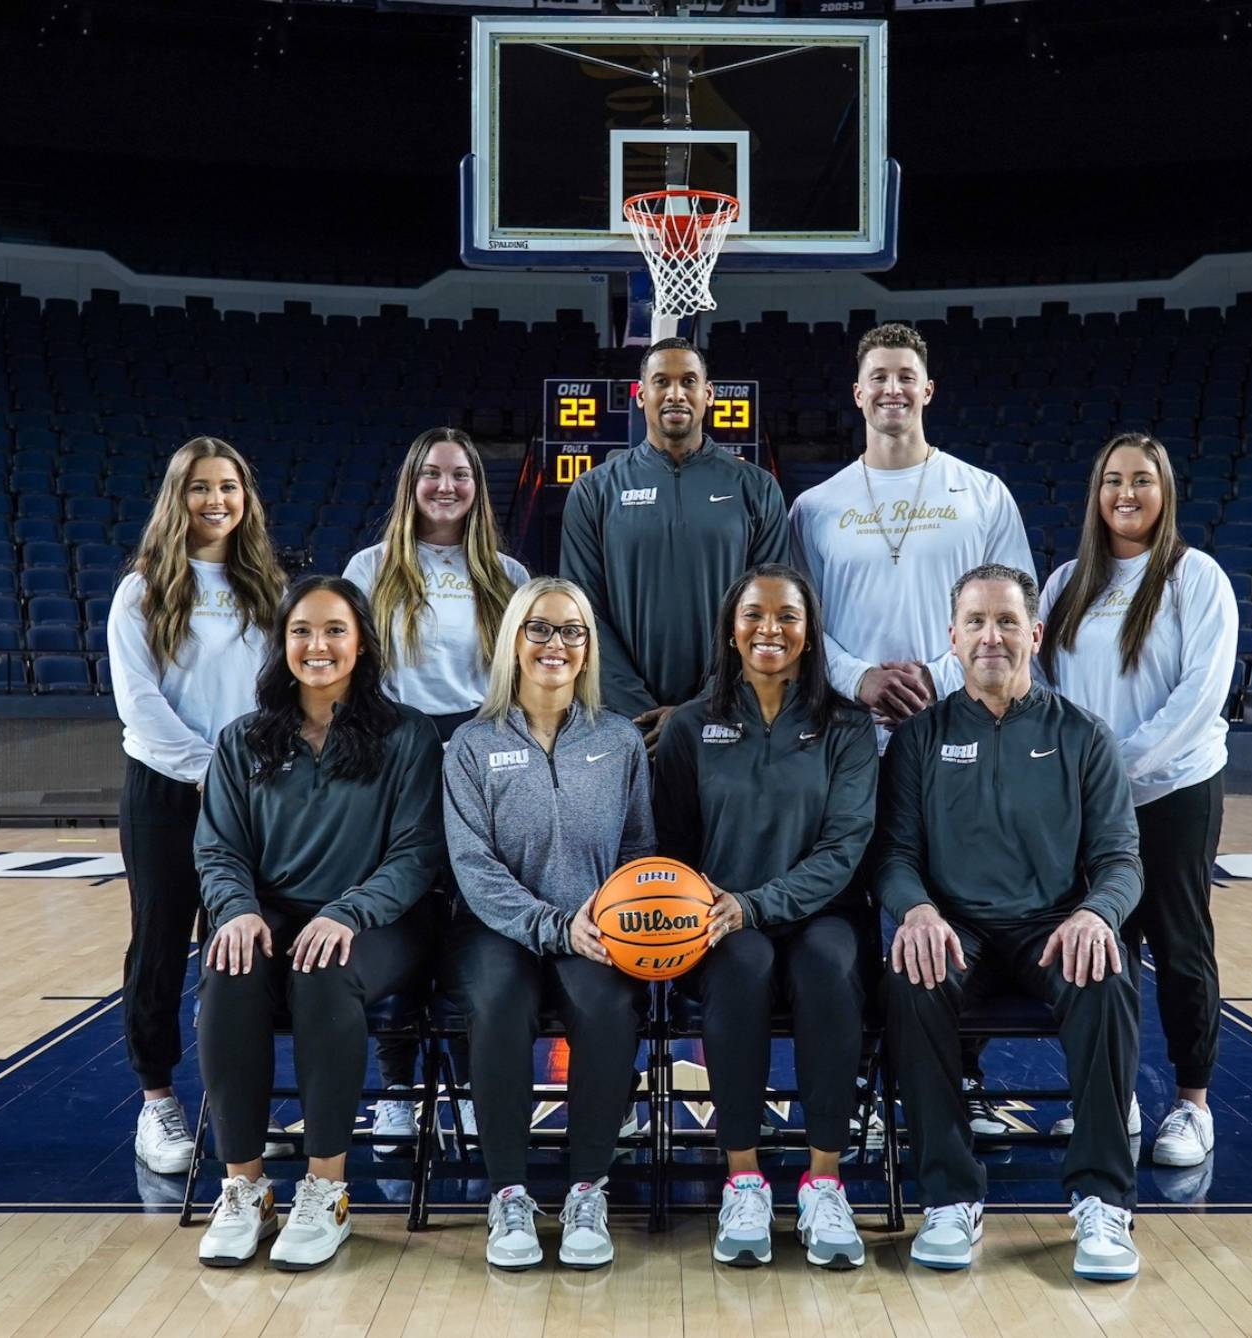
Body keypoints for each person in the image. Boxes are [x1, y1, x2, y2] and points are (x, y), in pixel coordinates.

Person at [789, 321, 1035, 1137]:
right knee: (860, 913)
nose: (892, 389)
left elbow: (1015, 605)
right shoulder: (814, 507)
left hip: (957, 726)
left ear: (926, 391)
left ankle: (956, 1083)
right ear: (856, 394)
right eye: (878, 378)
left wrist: (940, 668)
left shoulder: (982, 492)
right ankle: (861, 1092)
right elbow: (796, 624)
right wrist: (858, 674)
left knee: (961, 902)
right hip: (849, 735)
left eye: (906, 377)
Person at [878, 563, 1144, 1281]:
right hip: (954, 925)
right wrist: (918, 910)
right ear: (951, 638)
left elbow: (1121, 859)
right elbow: (894, 856)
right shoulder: (919, 738)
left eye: (1004, 622)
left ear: (1035, 632)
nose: (989, 636)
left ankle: (1100, 1198)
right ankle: (948, 1197)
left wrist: (1096, 915)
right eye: (974, 622)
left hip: (1048, 925)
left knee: (1108, 975)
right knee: (908, 977)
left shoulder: (1083, 735)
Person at [190, 576, 447, 1270]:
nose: (318, 645)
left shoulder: (407, 735)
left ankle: (325, 1190)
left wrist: (347, 912)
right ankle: (244, 1188)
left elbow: (417, 852)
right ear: (282, 643)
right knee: (228, 965)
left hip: (381, 921)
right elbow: (217, 847)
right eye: (302, 630)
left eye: (335, 629)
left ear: (361, 643)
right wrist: (237, 911)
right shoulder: (243, 740)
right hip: (276, 915)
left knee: (324, 968)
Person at [654, 564, 878, 1270]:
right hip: (717, 922)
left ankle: (822, 1180)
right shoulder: (688, 727)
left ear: (810, 634)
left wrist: (755, 904)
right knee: (742, 966)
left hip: (821, 914)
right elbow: (670, 845)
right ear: (730, 628)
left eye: (787, 616)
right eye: (753, 614)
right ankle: (743, 1178)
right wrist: (707, 907)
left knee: (828, 966)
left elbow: (846, 847)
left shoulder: (845, 725)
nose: (769, 629)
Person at [442, 577, 655, 1271]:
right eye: (538, 629)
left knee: (609, 1004)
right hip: (496, 928)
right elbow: (472, 866)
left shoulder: (620, 740)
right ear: (513, 641)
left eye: (570, 631)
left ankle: (586, 1188)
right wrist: (551, 926)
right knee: (498, 1004)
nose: (554, 644)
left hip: (597, 925)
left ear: (588, 648)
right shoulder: (471, 746)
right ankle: (508, 1193)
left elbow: (638, 849)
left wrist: (614, 919)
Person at [1038, 433, 1238, 1169]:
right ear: (1096, 494)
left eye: (1142, 481)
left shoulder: (1196, 577)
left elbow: (1199, 696)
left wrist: (1113, 767)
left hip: (1173, 790)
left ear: (1165, 492)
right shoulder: (1064, 582)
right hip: (1088, 800)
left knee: (1179, 944)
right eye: (1113, 480)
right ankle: (1110, 1095)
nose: (1127, 493)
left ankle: (1191, 1106)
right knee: (1101, 949)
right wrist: (1075, 776)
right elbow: (1045, 692)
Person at [343, 426, 527, 1147]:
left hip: (480, 761)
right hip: (395, 757)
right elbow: (352, 674)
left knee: (469, 925)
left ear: (478, 489)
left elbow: (517, 684)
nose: (445, 487)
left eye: (459, 475)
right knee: (396, 920)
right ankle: (396, 1091)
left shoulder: (507, 575)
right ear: (409, 485)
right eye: (431, 474)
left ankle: (470, 1087)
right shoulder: (371, 565)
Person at [107, 435, 284, 1178]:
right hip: (167, 792)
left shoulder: (268, 588)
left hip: (252, 792)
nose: (216, 501)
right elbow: (139, 704)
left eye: (229, 488)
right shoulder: (143, 588)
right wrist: (206, 768)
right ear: (176, 498)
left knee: (238, 949)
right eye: (201, 488)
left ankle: (234, 1103)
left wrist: (258, 772)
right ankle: (157, 1103)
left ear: (247, 499)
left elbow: (281, 690)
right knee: (160, 943)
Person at [560, 337, 789, 751]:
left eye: (688, 381)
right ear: (641, 394)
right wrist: (635, 711)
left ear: (709, 394)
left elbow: (768, 616)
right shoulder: (595, 491)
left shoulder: (757, 488)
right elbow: (584, 612)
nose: (675, 394)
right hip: (626, 726)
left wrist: (703, 706)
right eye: (662, 381)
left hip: (730, 715)